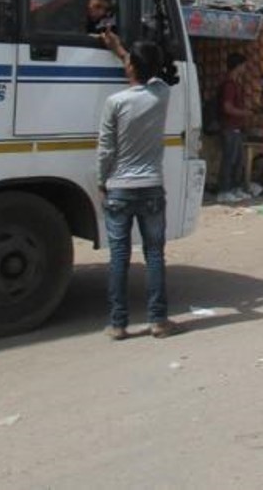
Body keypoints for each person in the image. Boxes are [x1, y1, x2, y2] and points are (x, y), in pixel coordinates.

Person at [96, 36, 178, 340]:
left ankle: (118, 324)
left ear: (131, 66)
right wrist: (123, 52)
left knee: (119, 257)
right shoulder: (161, 94)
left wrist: (101, 182)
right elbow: (149, 71)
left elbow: (106, 149)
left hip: (119, 187)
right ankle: (158, 321)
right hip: (152, 188)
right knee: (154, 255)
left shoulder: (115, 102)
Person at [217, 52, 250, 203]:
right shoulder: (229, 85)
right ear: (238, 66)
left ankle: (235, 188)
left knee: (237, 160)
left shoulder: (236, 83)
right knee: (229, 160)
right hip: (229, 127)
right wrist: (245, 113)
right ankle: (224, 190)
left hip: (235, 128)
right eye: (243, 65)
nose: (245, 68)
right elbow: (227, 107)